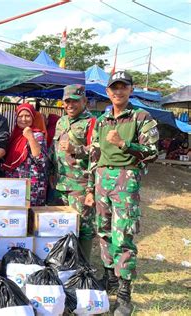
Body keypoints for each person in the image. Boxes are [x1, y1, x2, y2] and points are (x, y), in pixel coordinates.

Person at [86, 71, 159, 316]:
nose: (118, 91)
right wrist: (89, 187)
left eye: (123, 87)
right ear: (107, 92)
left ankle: (125, 294)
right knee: (103, 230)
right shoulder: (102, 120)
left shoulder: (141, 117)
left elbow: (152, 152)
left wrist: (123, 144)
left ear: (130, 90)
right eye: (114, 87)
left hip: (125, 179)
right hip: (101, 180)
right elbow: (94, 155)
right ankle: (110, 280)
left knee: (123, 234)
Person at [50, 84, 96, 260]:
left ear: (84, 101)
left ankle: (83, 266)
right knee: (61, 224)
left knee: (83, 226)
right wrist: (51, 172)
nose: (70, 105)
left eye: (75, 101)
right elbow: (55, 150)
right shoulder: (61, 122)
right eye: (67, 101)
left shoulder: (91, 123)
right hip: (61, 182)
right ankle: (64, 261)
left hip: (80, 184)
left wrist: (75, 149)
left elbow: (98, 153)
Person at [2, 103, 48, 206]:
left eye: (27, 116)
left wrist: (30, 137)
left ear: (33, 118)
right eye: (20, 116)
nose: (23, 119)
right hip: (13, 186)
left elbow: (41, 160)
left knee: (29, 218)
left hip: (31, 186)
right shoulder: (14, 135)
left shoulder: (38, 135)